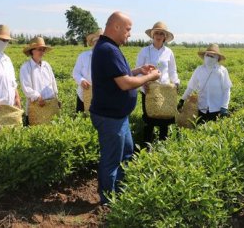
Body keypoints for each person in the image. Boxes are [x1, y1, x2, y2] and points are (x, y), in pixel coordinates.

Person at [90, 11, 160, 205]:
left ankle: (119, 192)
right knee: (112, 159)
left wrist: (138, 70)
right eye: (128, 29)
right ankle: (107, 200)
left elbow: (119, 74)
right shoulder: (107, 49)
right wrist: (149, 77)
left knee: (126, 153)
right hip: (110, 117)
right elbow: (124, 83)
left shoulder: (109, 47)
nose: (129, 33)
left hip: (119, 116)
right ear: (117, 27)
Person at [135, 21, 180, 144]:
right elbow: (138, 69)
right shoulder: (144, 51)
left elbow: (172, 70)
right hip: (148, 89)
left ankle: (162, 145)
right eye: (157, 33)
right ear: (152, 35)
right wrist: (142, 83)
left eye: (161, 33)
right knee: (149, 119)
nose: (159, 36)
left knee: (164, 119)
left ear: (165, 37)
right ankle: (147, 145)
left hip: (164, 90)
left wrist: (176, 83)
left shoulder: (169, 52)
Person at [178, 44, 232, 123]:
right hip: (201, 109)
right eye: (207, 55)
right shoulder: (199, 70)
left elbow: (226, 89)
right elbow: (190, 87)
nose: (209, 58)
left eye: (212, 56)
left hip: (216, 109)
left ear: (217, 58)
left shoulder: (222, 71)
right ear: (204, 56)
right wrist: (182, 100)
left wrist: (224, 107)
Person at [20, 36, 58, 122]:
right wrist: (38, 97)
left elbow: (53, 82)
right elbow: (26, 87)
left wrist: (56, 97)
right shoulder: (26, 67)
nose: (42, 52)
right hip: (36, 106)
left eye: (43, 50)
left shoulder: (46, 65)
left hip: (50, 105)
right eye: (39, 49)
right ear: (32, 51)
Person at [73, 31, 102, 113]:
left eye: (101, 41)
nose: (98, 43)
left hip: (100, 94)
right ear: (92, 43)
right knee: (82, 117)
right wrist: (81, 80)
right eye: (96, 41)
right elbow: (76, 72)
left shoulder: (108, 57)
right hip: (84, 93)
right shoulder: (83, 56)